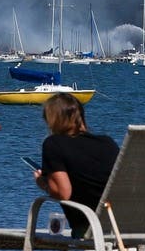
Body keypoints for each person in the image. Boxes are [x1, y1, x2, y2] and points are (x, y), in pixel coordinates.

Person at [33, 93, 119, 238]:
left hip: (89, 227)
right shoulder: (107, 143)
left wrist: (44, 184)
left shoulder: (53, 144)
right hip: (121, 225)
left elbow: (63, 193)